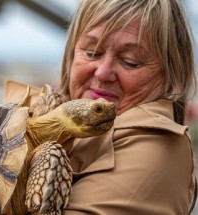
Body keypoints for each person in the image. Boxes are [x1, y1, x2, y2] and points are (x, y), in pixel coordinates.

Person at [54, 0, 197, 214]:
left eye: (131, 61)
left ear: (170, 75)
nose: (102, 72)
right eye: (92, 52)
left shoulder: (156, 148)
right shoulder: (54, 116)